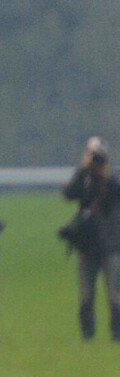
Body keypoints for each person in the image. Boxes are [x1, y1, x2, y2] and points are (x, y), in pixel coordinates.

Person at [62, 136, 120, 341]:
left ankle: (117, 334)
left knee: (115, 295)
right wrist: (83, 170)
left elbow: (115, 195)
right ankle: (88, 335)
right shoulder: (84, 177)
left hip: (111, 244)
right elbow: (68, 194)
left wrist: (106, 175)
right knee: (86, 295)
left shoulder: (112, 178)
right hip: (87, 246)